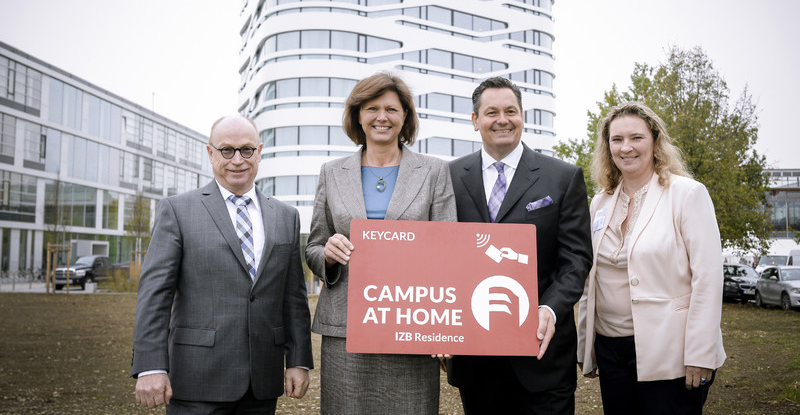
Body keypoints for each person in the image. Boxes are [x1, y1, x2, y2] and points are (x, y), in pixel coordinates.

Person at [131, 115, 313, 414]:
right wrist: (150, 365)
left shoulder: (286, 216)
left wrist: (298, 360)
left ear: (260, 151)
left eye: (246, 150)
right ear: (210, 153)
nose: (237, 160)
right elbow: (154, 296)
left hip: (262, 384)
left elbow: (293, 298)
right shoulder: (177, 210)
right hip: (196, 380)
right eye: (227, 150)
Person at [305, 72, 456, 415]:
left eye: (391, 108)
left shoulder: (434, 172)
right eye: (372, 108)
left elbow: (450, 253)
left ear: (405, 116)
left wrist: (444, 328)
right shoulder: (331, 172)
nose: (382, 117)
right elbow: (314, 246)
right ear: (358, 115)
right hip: (346, 330)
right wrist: (327, 255)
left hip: (414, 324)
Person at [446, 76, 593, 414]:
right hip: (475, 357)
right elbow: (440, 255)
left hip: (541, 354)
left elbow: (576, 259)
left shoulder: (563, 177)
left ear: (522, 116)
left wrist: (550, 309)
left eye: (511, 111)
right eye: (492, 112)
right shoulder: (448, 177)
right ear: (475, 120)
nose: (502, 120)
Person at [577, 101, 726, 414]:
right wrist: (586, 346)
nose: (626, 148)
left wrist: (700, 354)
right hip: (611, 350)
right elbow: (593, 277)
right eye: (616, 140)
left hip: (671, 352)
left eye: (636, 138)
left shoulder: (687, 194)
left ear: (656, 142)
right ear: (607, 147)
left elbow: (708, 279)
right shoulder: (600, 202)